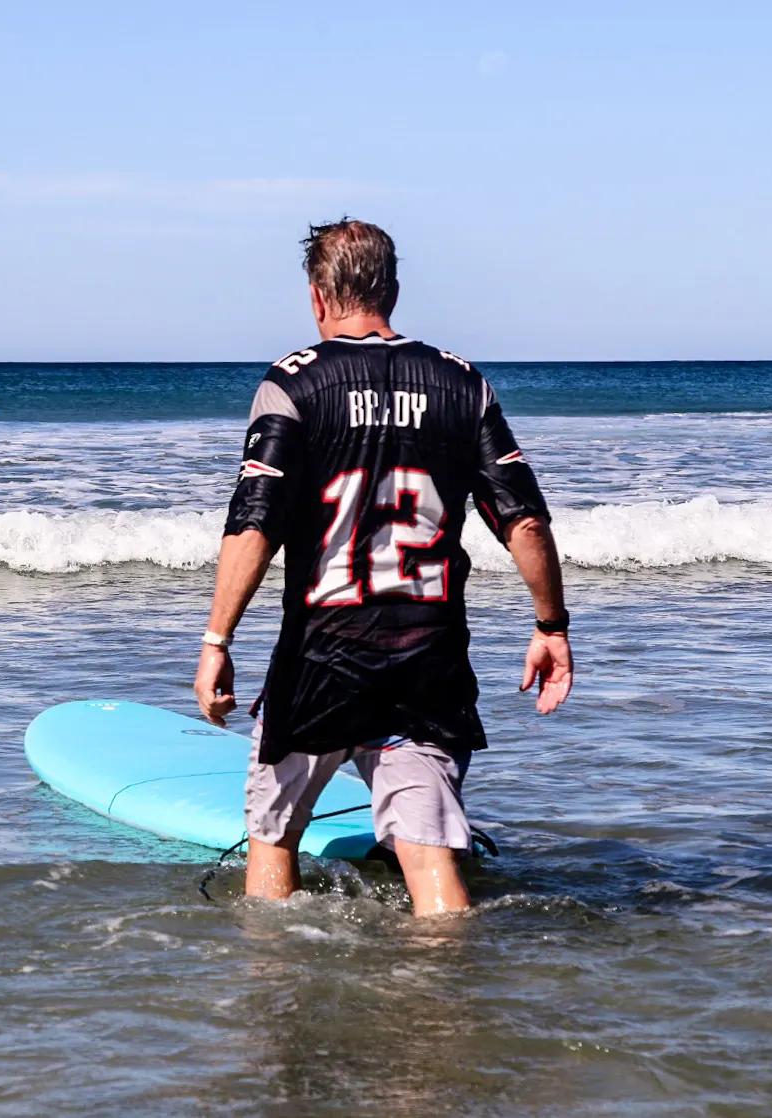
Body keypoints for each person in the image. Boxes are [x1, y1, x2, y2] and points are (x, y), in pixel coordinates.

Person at [191, 219, 573, 917]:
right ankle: (445, 1009)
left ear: (316, 297)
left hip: (321, 657)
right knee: (428, 858)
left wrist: (216, 642)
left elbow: (254, 522)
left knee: (273, 840)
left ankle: (270, 999)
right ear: (392, 290)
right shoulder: (462, 383)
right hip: (425, 660)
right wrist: (550, 624)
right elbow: (522, 518)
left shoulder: (291, 384)